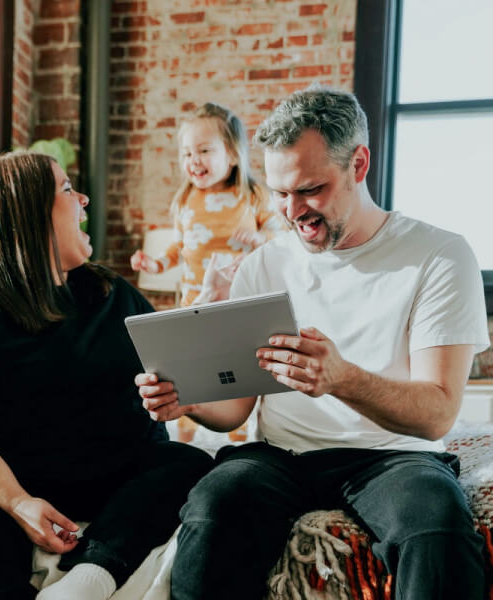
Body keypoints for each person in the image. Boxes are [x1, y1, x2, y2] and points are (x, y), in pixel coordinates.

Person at [136, 86, 490, 599]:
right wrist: (187, 399)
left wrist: (342, 379)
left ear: (359, 164)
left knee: (435, 525)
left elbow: (436, 414)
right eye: (279, 193)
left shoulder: (438, 256)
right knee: (214, 505)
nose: (292, 210)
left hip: (394, 455)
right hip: (281, 455)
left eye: (310, 189)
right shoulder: (264, 265)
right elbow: (236, 409)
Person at [0, 152, 213, 600]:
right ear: (26, 212)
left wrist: (204, 326)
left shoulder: (109, 293)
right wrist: (18, 502)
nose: (83, 198)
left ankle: (89, 577)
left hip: (102, 473)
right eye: (66, 189)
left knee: (189, 464)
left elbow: (179, 371)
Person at [130, 102, 284, 307]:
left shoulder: (254, 196)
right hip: (195, 305)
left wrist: (259, 238)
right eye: (187, 153)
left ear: (232, 154)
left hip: (241, 301)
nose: (194, 160)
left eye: (204, 151)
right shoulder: (185, 200)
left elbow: (282, 241)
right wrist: (155, 264)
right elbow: (179, 248)